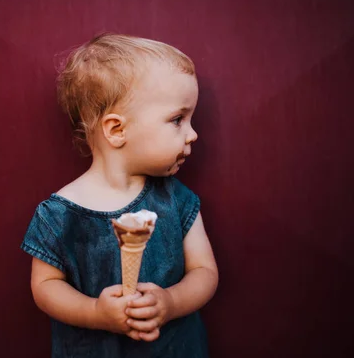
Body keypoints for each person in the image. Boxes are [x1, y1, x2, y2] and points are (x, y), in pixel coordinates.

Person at [21, 32, 218, 357]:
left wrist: (170, 302)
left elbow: (204, 272)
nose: (193, 134)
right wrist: (95, 312)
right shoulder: (58, 215)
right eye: (177, 120)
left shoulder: (175, 199)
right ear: (116, 130)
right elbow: (44, 287)